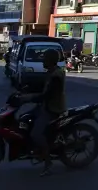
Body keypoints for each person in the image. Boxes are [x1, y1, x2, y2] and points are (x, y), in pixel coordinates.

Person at [23, 48, 66, 177]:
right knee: (24, 120)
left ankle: (48, 163)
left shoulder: (56, 76)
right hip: (45, 106)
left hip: (52, 109)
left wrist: (29, 98)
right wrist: (25, 90)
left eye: (45, 58)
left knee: (36, 133)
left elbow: (47, 95)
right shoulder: (51, 72)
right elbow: (40, 86)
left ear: (51, 60)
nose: (42, 61)